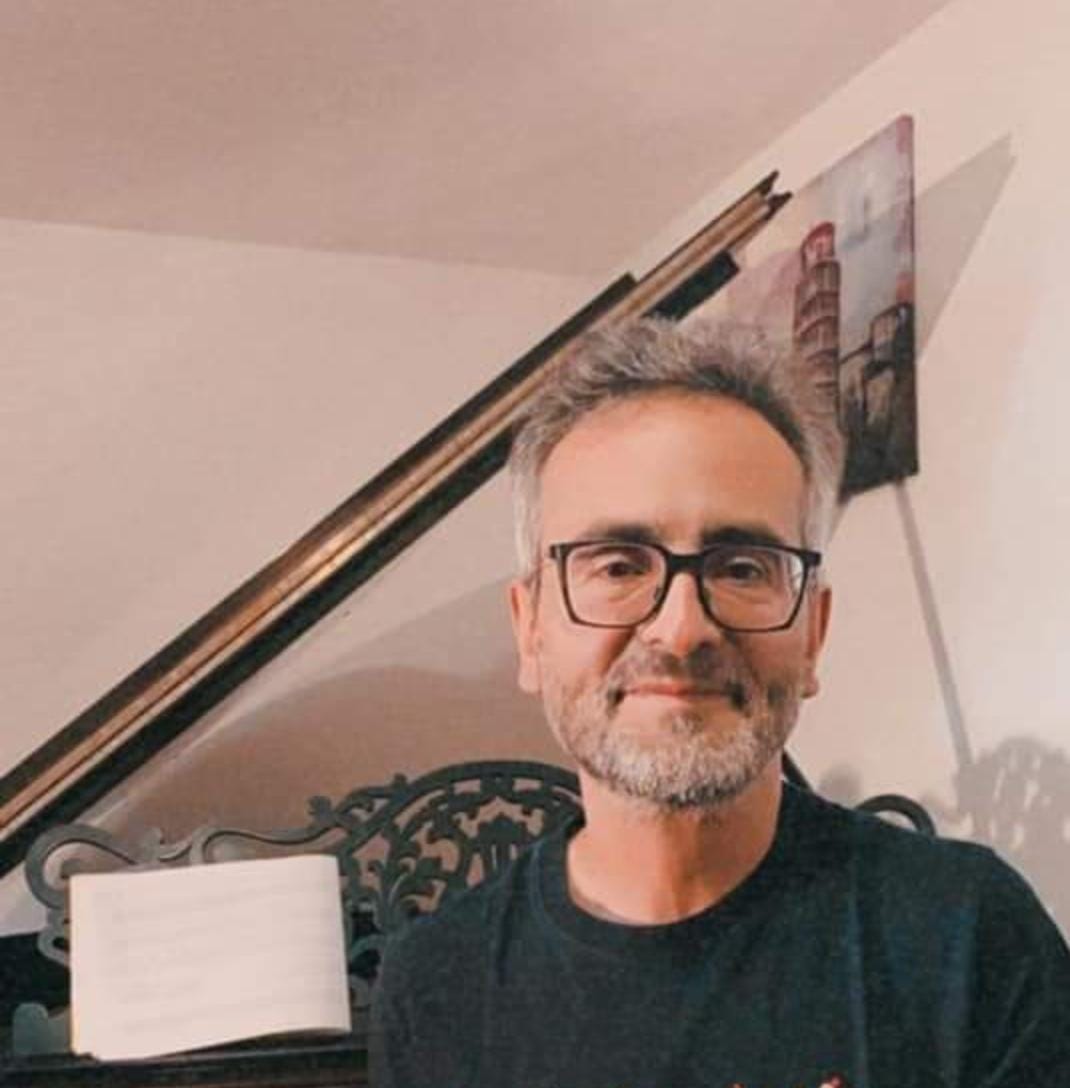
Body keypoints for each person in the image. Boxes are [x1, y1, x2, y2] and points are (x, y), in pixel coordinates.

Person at [369, 319, 1070, 1087]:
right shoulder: (436, 987)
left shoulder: (971, 937)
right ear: (529, 629)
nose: (682, 628)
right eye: (617, 565)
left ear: (813, 633)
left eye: (741, 567)